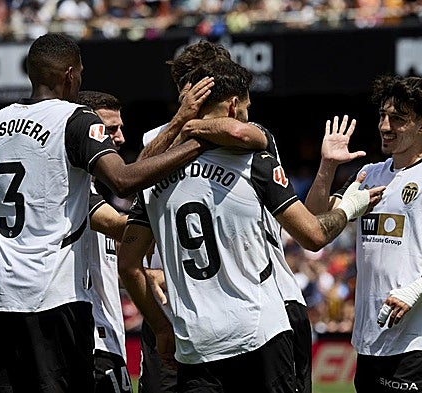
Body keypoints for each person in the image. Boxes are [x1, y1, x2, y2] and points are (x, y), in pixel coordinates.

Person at [117, 58, 385, 392]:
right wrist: (350, 207)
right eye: (246, 106)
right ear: (233, 104)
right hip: (259, 333)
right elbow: (313, 235)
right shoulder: (253, 158)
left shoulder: (152, 171)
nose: (248, 114)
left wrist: (160, 329)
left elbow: (128, 265)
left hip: (194, 341)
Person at [0, 32, 215, 393]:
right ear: (71, 75)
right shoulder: (76, 118)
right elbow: (122, 180)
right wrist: (196, 143)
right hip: (51, 295)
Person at [138, 40, 315, 393]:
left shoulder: (250, 136)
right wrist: (180, 122)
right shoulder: (158, 138)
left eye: (197, 83)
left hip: (264, 295)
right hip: (186, 305)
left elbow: (243, 133)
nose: (187, 92)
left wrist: (189, 125)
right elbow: (133, 176)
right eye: (183, 84)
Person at [304, 74, 422, 392]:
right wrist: (327, 165)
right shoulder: (370, 174)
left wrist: (415, 291)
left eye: (398, 119)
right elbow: (316, 219)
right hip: (369, 341)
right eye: (383, 116)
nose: (385, 126)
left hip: (414, 342)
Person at [78, 90, 131, 393]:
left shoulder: (95, 188)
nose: (120, 137)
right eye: (111, 129)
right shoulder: (71, 189)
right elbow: (117, 226)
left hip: (109, 338)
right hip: (91, 343)